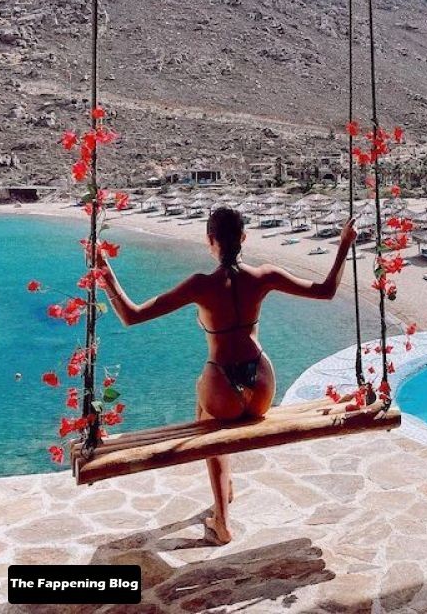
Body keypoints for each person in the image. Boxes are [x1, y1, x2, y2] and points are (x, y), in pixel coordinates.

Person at [98, 207, 357, 545]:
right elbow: (325, 290)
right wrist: (343, 244)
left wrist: (105, 272)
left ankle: (221, 521)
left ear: (211, 240)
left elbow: (131, 315)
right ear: (244, 238)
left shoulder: (201, 285)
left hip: (223, 386)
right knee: (207, 409)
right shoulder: (264, 276)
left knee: (208, 422)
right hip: (261, 386)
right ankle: (226, 487)